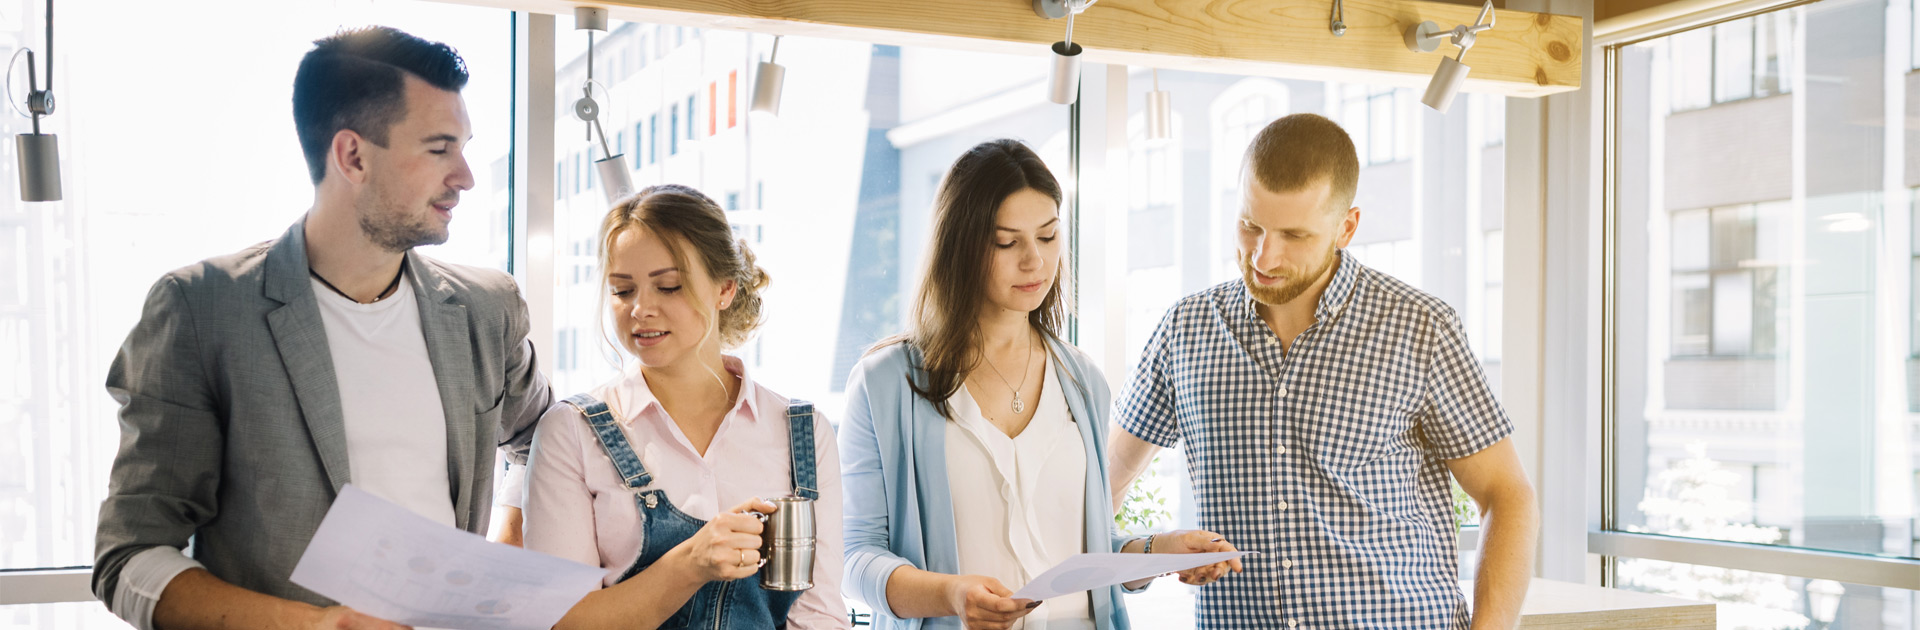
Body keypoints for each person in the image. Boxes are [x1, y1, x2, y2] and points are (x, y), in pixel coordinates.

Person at [92, 26, 552, 630]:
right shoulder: (200, 310)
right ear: (352, 156)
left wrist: (508, 543)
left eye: (464, 147)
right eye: (440, 148)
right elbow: (128, 559)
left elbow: (543, 439)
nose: (466, 176)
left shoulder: (487, 307)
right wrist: (315, 627)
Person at [1107, 113, 1540, 630]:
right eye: (1250, 225)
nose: (1263, 256)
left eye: (1293, 234)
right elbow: (1096, 492)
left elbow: (1508, 496)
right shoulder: (1185, 331)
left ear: (1346, 228)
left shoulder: (1421, 327)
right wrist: (1150, 552)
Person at [840, 139, 1238, 630]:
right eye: (1007, 242)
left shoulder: (1082, 379)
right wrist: (951, 594)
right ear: (959, 246)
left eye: (1048, 237)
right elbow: (855, 560)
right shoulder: (885, 383)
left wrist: (1158, 550)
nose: (1034, 262)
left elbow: (1083, 552)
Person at [522, 184, 849, 630]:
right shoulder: (571, 431)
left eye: (669, 286)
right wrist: (690, 563)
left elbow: (821, 617)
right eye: (622, 290)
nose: (641, 309)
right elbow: (561, 621)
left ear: (725, 289)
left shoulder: (804, 433)